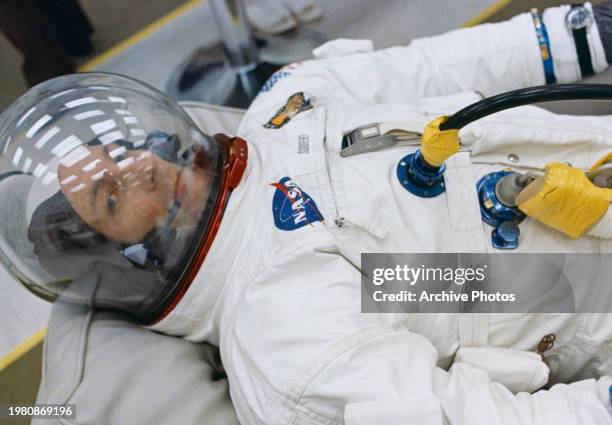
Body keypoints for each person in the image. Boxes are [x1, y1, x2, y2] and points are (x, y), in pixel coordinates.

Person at [1, 2, 612, 424]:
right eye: (112, 197)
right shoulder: (281, 332)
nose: (137, 166)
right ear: (128, 257)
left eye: (116, 151)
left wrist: (580, 32)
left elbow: (432, 65)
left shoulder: (285, 103)